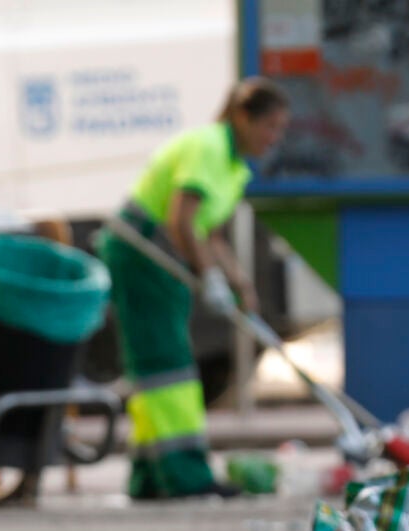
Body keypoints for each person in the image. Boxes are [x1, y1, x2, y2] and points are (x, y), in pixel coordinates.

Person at [99, 77, 290, 500]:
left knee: (154, 366)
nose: (274, 137)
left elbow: (211, 233)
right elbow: (181, 220)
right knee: (167, 363)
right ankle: (185, 475)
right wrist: (212, 278)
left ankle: (150, 475)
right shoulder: (208, 148)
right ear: (243, 117)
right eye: (270, 126)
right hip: (141, 251)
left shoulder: (235, 167)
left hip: (163, 257)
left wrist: (239, 284)